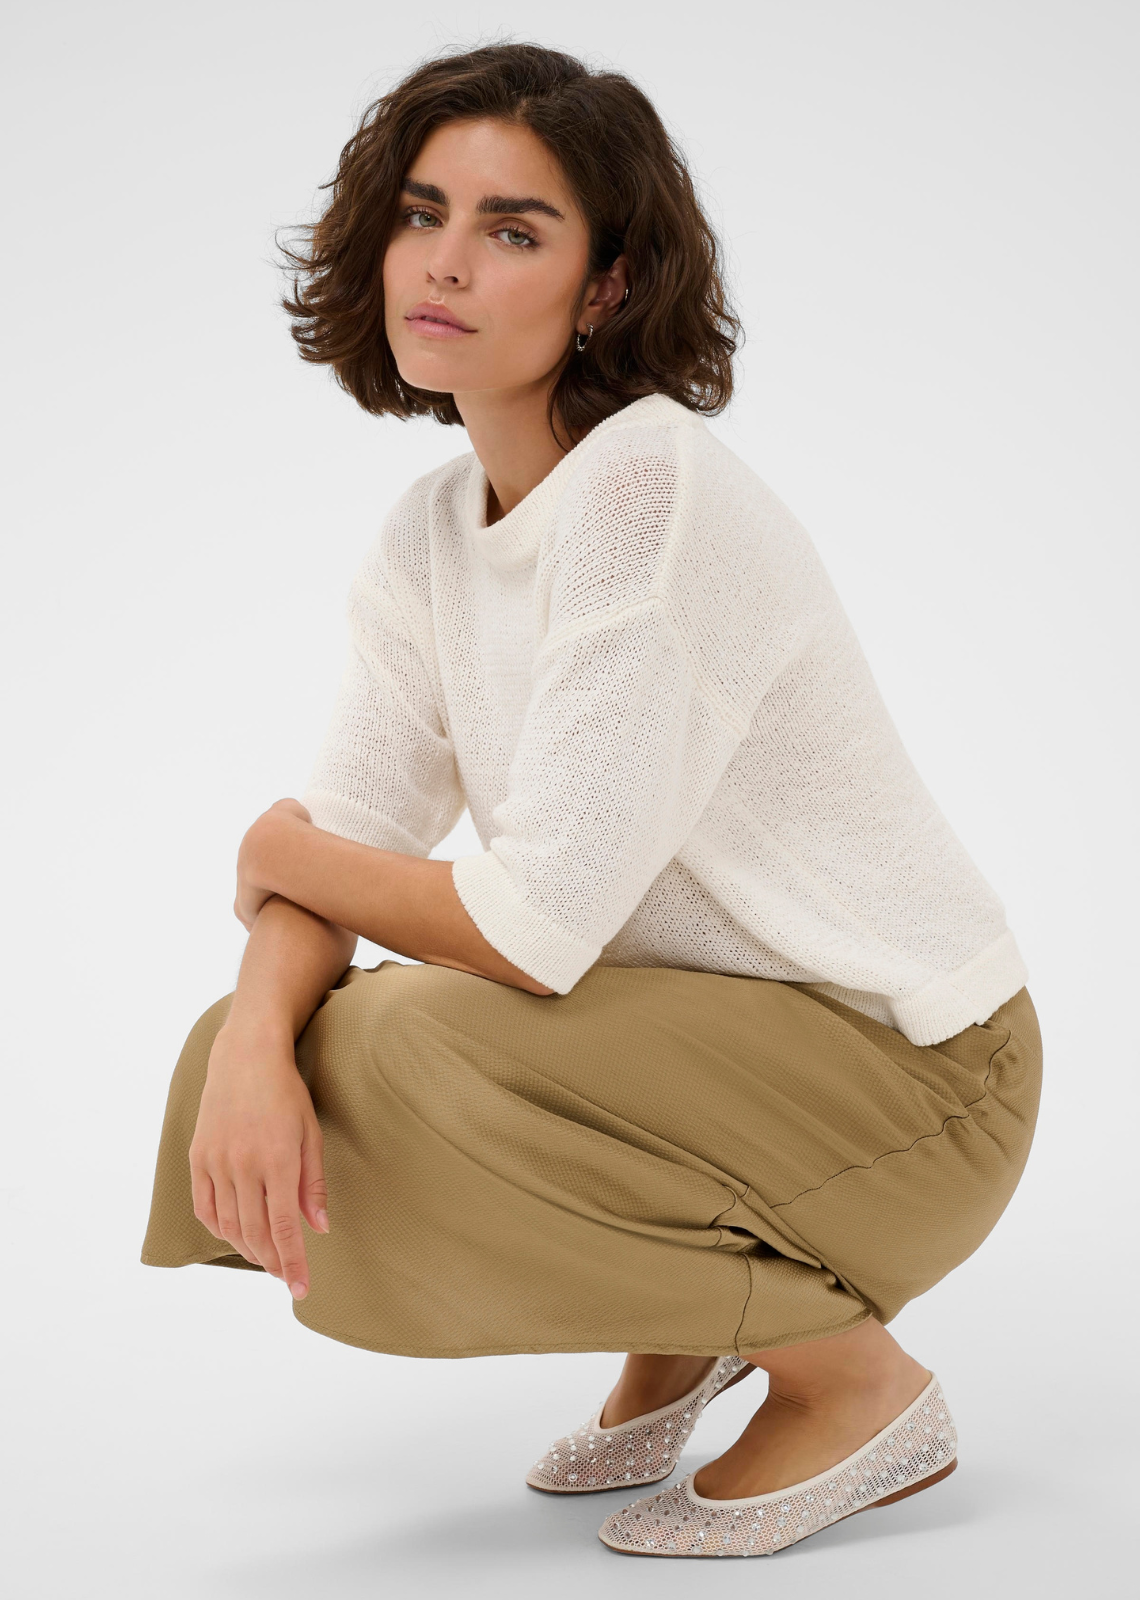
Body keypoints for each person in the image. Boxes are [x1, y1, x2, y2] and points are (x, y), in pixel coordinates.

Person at [140, 42, 1042, 1559]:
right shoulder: (433, 533)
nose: (445, 262)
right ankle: (689, 1322)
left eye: (513, 230)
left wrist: (277, 852)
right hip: (712, 1062)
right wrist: (248, 1033)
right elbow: (346, 836)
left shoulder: (645, 489)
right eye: (421, 213)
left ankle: (853, 1383)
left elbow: (530, 928)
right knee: (282, 1039)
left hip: (918, 1084)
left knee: (405, 1044)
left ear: (608, 287)